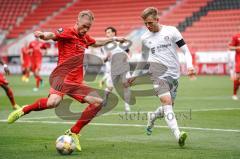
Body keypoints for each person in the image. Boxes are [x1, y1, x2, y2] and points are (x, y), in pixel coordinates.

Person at [7, 10, 125, 151]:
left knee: (98, 102)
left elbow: (96, 43)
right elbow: (52, 35)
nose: (85, 29)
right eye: (84, 26)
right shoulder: (67, 32)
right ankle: (24, 110)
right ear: (77, 22)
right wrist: (43, 35)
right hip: (62, 78)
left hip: (76, 82)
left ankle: (74, 132)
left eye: (88, 27)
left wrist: (113, 39)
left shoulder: (85, 37)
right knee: (53, 103)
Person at [128, 7, 195, 147]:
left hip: (174, 74)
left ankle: (152, 116)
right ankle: (178, 135)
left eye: (150, 23)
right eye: (145, 23)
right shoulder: (145, 37)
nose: (148, 26)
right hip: (157, 74)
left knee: (168, 106)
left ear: (157, 20)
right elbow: (144, 58)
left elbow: (186, 50)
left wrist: (190, 65)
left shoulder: (171, 31)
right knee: (166, 102)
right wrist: (134, 75)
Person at [101, 26, 131, 112]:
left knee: (126, 85)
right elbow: (103, 60)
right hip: (113, 69)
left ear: (114, 33)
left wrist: (126, 56)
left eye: (109, 32)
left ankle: (127, 106)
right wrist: (107, 57)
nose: (107, 34)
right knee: (110, 87)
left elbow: (127, 50)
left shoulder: (120, 42)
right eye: (106, 33)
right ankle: (105, 98)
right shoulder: (104, 46)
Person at [229, 31, 240, 100]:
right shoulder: (236, 36)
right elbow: (230, 47)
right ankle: (234, 94)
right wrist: (237, 48)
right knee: (238, 77)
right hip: (239, 60)